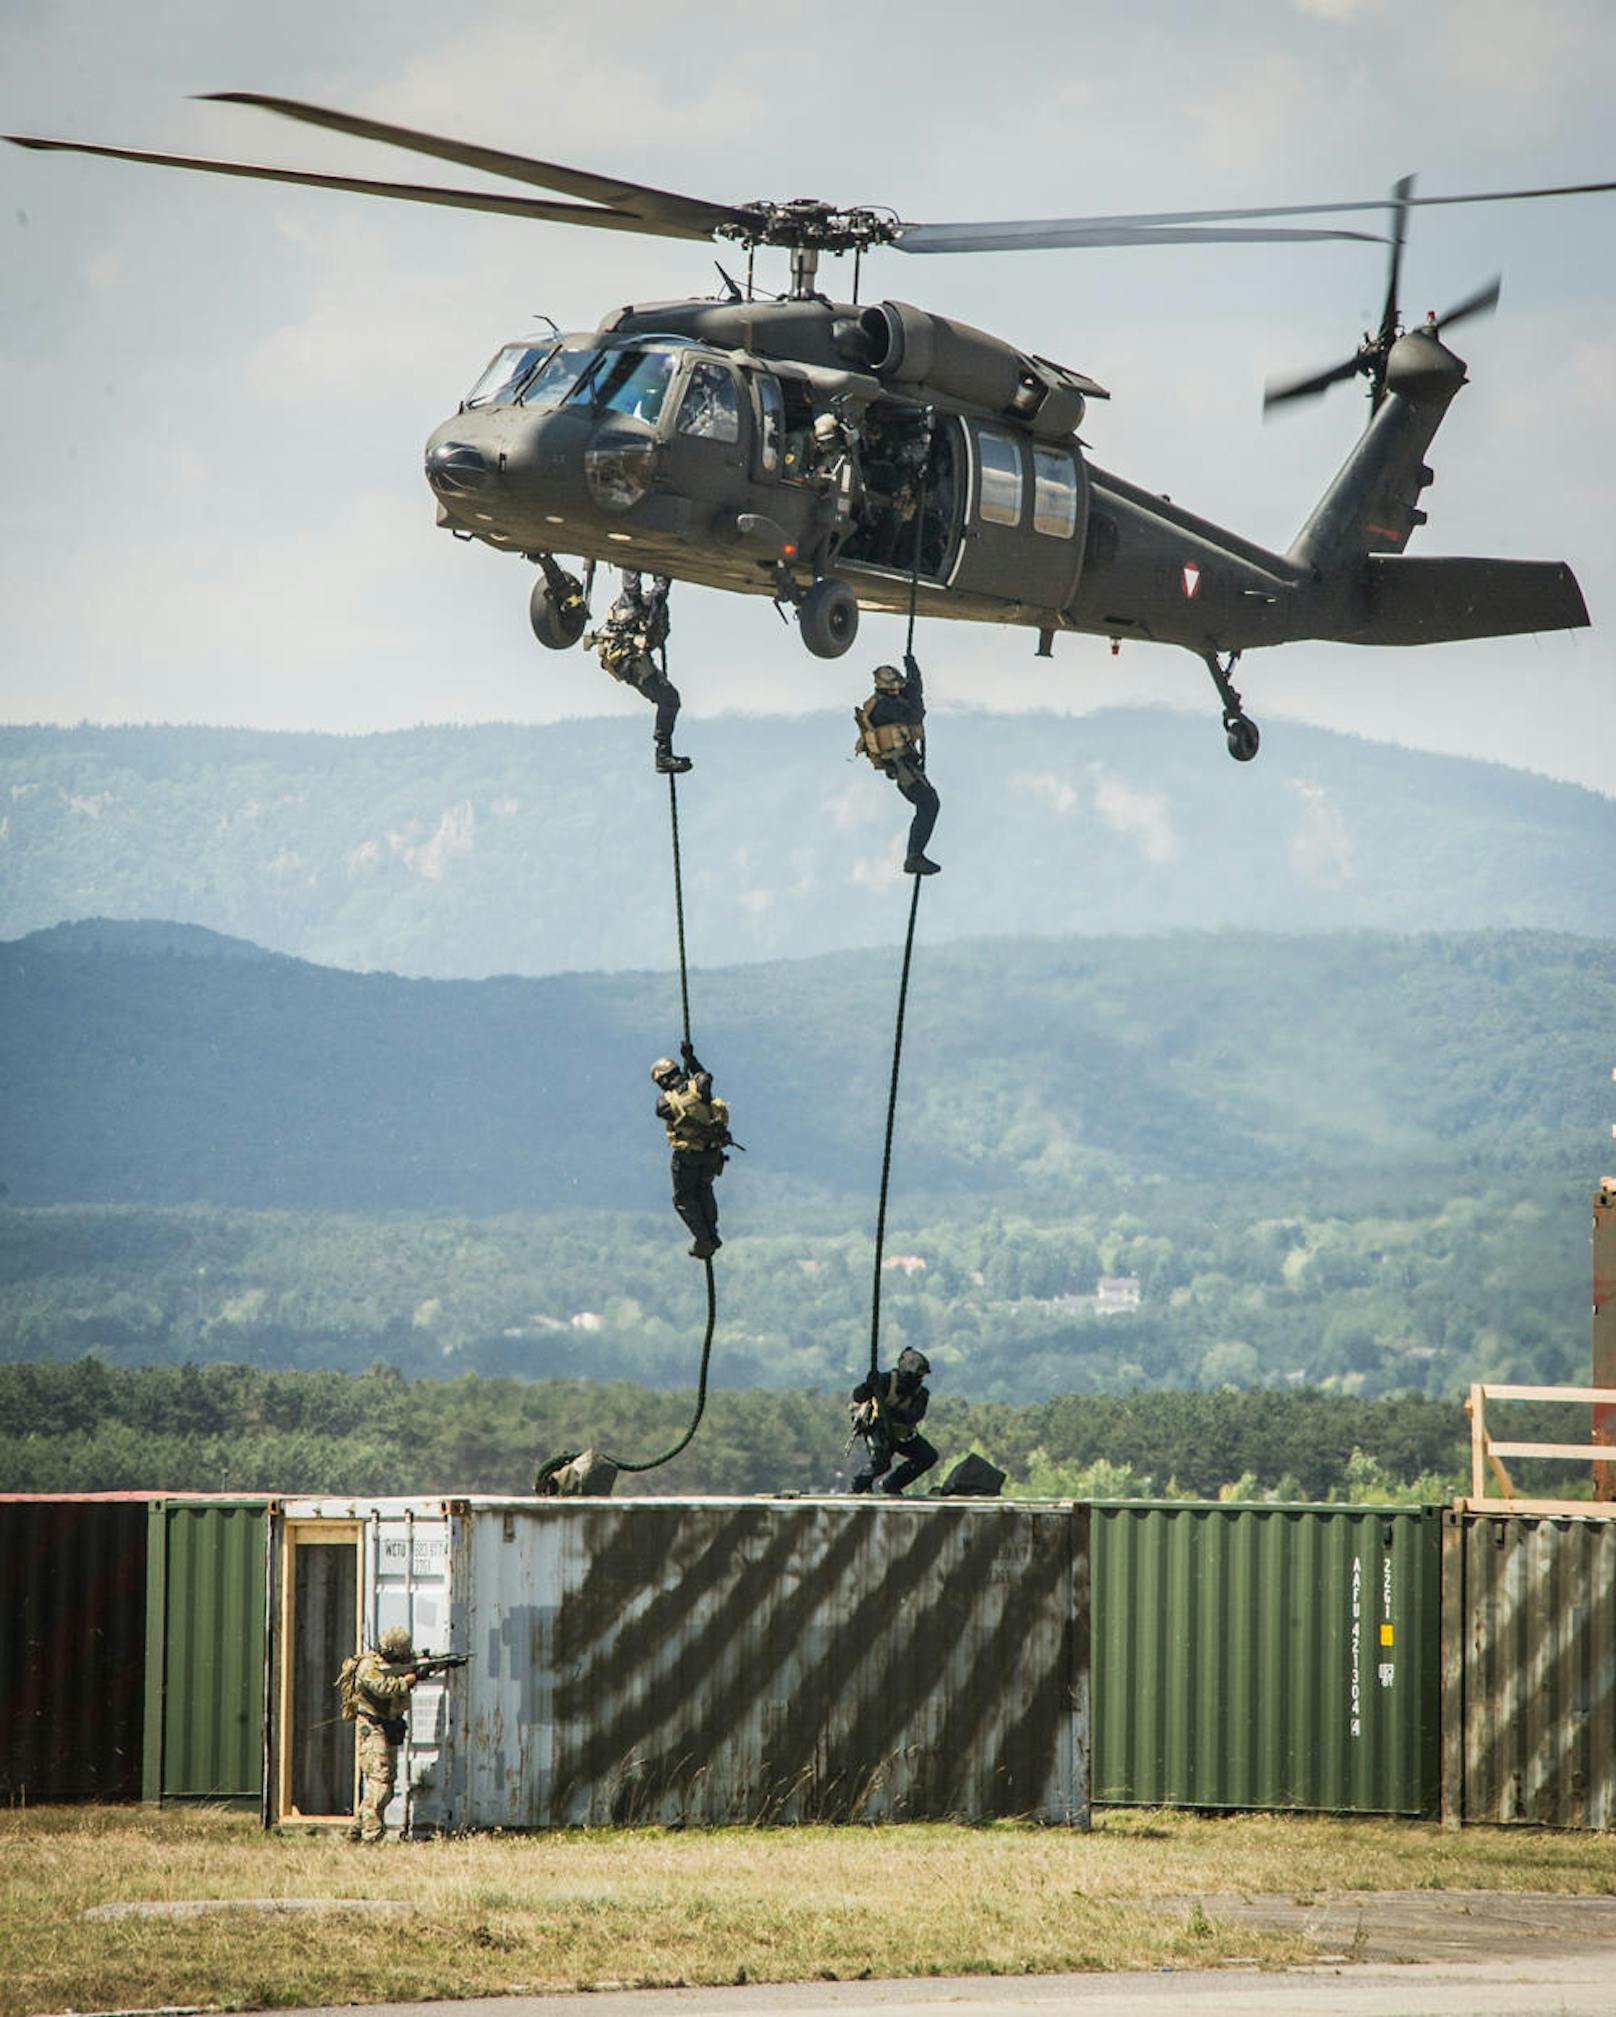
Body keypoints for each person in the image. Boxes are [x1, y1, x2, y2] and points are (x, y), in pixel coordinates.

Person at [586, 571, 690, 773]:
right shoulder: (650, 607)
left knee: (669, 699)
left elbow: (655, 593)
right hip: (629, 658)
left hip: (627, 659)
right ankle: (663, 754)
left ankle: (663, 754)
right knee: (669, 699)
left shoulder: (645, 608)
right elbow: (658, 593)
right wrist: (663, 572)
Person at [854, 653, 940, 874]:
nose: (896, 692)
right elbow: (915, 715)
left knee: (928, 803)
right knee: (928, 803)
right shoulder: (885, 707)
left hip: (905, 764)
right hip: (901, 766)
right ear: (882, 690)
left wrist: (913, 672)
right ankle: (914, 857)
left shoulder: (887, 701)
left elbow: (910, 698)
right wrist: (915, 688)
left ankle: (915, 856)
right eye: (892, 690)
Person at [651, 1041, 732, 1259]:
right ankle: (712, 1234)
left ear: (663, 1079)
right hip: (711, 1153)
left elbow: (662, 1111)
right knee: (704, 1190)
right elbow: (704, 1076)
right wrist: (691, 1059)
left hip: (687, 1157)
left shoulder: (665, 1102)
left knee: (684, 1198)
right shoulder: (700, 1085)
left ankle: (704, 1240)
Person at [345, 1624, 419, 1844]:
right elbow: (385, 1688)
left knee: (385, 1781)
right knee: (380, 1781)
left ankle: (355, 1833)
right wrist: (407, 1681)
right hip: (372, 1728)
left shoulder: (394, 1664)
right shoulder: (369, 1666)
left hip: (388, 1727)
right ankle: (372, 1835)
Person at [849, 1346, 938, 1495]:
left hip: (901, 1434)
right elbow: (858, 1396)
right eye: (919, 1375)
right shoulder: (885, 1381)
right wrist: (869, 1386)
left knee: (927, 1456)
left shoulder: (921, 1393)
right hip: (878, 1430)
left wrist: (890, 1412)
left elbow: (914, 1416)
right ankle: (857, 1487)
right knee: (881, 1462)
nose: (920, 1380)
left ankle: (892, 1484)